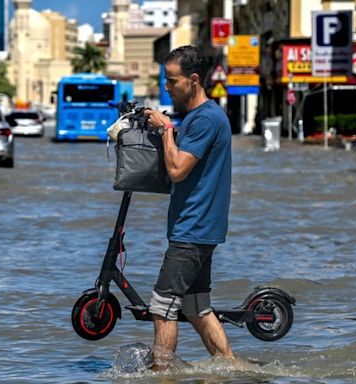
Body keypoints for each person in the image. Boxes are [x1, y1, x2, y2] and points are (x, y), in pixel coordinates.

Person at [144, 45, 234, 369]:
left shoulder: (205, 119)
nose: (167, 87)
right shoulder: (200, 118)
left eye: (172, 81)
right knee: (196, 307)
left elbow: (177, 170)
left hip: (193, 229)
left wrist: (167, 130)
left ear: (193, 80)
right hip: (200, 228)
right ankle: (232, 368)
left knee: (162, 306)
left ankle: (161, 375)